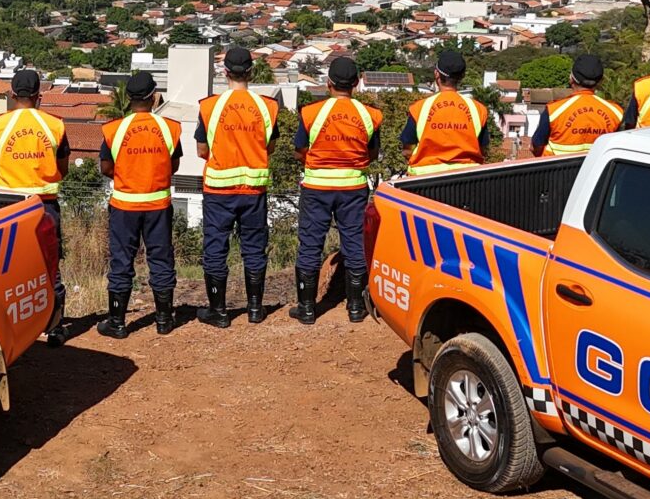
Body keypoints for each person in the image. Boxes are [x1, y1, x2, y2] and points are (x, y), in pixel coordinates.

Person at [0, 67, 71, 346]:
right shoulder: (55, 125)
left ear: (12, 94)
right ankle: (54, 328)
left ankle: (11, 331)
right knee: (50, 266)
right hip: (45, 207)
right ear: (38, 94)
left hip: (7, 208)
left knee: (6, 270)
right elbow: (63, 168)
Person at [291, 56, 381, 325]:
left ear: (328, 82)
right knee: (354, 243)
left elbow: (299, 150)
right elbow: (372, 153)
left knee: (310, 244)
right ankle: (356, 307)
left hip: (316, 187)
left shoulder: (311, 113)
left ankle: (307, 309)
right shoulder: (370, 115)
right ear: (356, 83)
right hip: (353, 187)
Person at [195, 46, 280, 327]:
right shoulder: (267, 107)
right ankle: (255, 309)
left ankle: (218, 312)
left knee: (216, 248)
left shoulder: (209, 107)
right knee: (254, 248)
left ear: (225, 72)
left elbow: (201, 149)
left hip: (219, 190)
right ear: (251, 72)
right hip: (254, 189)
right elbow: (270, 146)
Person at [97, 71, 183, 338]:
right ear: (154, 97)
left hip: (124, 206)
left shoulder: (114, 130)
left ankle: (117, 322)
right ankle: (164, 320)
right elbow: (174, 165)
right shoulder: (169, 128)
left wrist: (128, 175)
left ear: (128, 98)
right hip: (158, 205)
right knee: (161, 258)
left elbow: (105, 167)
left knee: (121, 261)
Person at [400, 49, 491, 177]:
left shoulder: (420, 108)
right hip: (469, 180)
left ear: (436, 74)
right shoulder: (478, 109)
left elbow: (407, 150)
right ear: (462, 76)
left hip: (424, 181)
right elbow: (483, 149)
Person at [530, 54, 623, 157]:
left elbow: (535, 146)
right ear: (600, 82)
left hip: (556, 166)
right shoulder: (616, 113)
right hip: (596, 167)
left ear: (571, 78)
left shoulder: (554, 111)